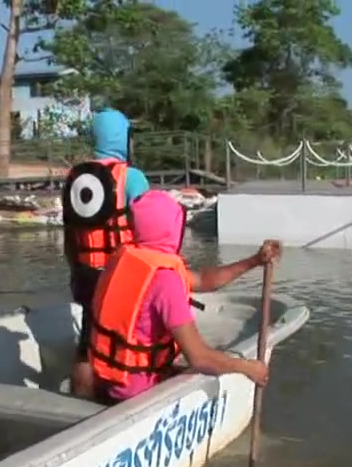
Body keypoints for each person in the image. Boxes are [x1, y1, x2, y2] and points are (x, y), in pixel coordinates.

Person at [78, 190, 279, 406]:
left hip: (104, 379)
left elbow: (203, 279)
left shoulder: (123, 261)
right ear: (172, 229)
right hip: (136, 395)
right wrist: (248, 368)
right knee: (204, 363)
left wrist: (255, 260)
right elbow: (200, 358)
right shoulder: (165, 280)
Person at [63, 106, 152, 396]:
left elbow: (69, 232)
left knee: (88, 340)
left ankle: (82, 397)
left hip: (84, 272)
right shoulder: (133, 177)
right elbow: (150, 229)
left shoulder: (74, 176)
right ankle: (124, 395)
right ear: (123, 137)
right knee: (127, 339)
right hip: (122, 273)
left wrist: (75, 269)